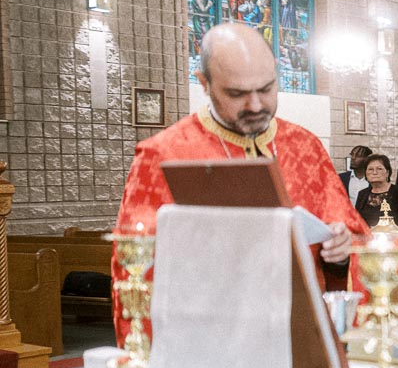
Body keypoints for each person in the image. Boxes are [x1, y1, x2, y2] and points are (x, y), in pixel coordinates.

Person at [114, 23, 364, 341]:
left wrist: (341, 253)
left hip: (301, 337)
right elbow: (137, 268)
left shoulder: (305, 147)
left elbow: (353, 241)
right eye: (237, 94)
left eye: (266, 89)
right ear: (204, 83)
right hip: (209, 339)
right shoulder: (163, 155)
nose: (256, 105)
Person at [353, 154, 398, 227]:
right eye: (370, 169)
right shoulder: (362, 194)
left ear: (387, 172)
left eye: (379, 169)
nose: (375, 173)